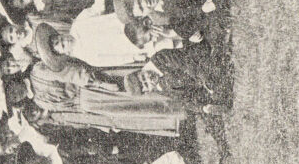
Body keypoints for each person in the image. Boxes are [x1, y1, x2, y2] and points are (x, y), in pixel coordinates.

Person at [27, 57, 187, 136]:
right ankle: (180, 108)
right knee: (133, 108)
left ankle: (178, 85)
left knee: (135, 87)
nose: (15, 94)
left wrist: (100, 84)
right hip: (92, 105)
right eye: (13, 97)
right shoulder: (38, 101)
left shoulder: (37, 72)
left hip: (93, 85)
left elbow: (71, 73)